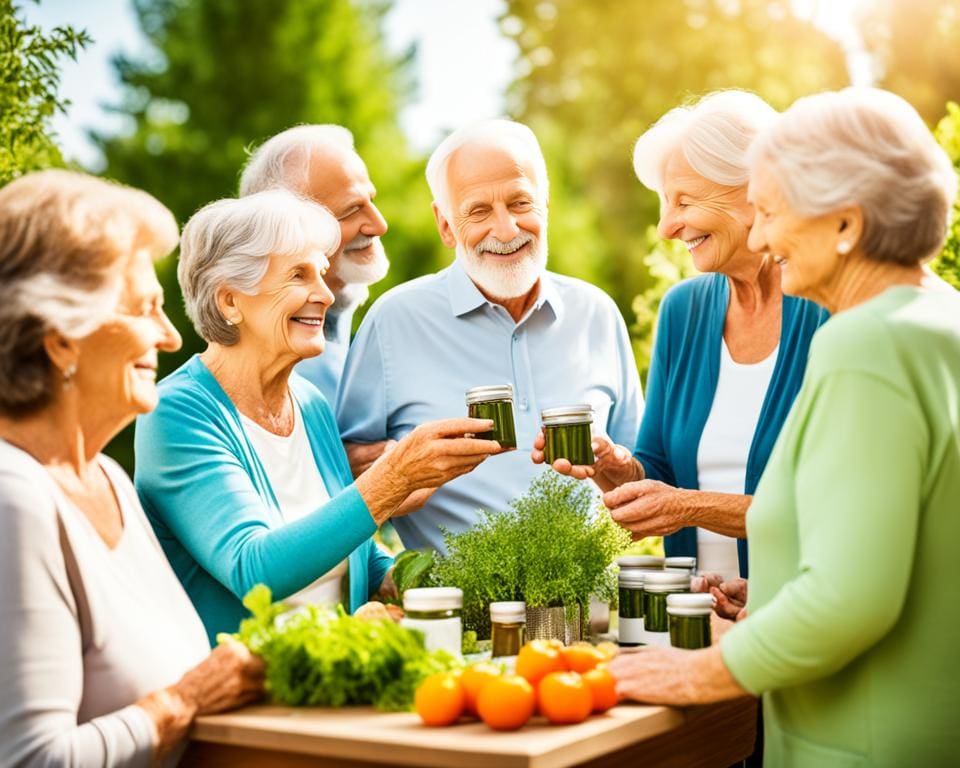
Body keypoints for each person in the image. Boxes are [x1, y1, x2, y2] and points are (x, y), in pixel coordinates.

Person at [609, 88, 960, 767]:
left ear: (846, 225)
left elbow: (849, 601)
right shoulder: (942, 319)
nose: (763, 237)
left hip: (858, 741)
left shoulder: (863, 343)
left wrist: (692, 673)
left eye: (771, 211)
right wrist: (768, 591)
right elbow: (902, 544)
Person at [135, 189, 501, 642]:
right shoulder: (177, 412)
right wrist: (393, 480)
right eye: (299, 275)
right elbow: (255, 571)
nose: (325, 294)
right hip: (244, 701)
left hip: (331, 686)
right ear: (230, 300)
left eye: (323, 274)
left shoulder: (308, 404)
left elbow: (361, 558)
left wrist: (431, 585)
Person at [0, 170, 263, 766]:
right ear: (61, 337)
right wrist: (182, 702)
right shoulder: (14, 499)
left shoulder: (108, 480)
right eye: (145, 309)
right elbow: (31, 760)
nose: (171, 337)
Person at [535, 91, 828, 584]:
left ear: (755, 191)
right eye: (664, 203)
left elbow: (830, 505)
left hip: (803, 621)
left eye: (684, 201)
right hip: (702, 614)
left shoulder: (828, 312)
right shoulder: (683, 311)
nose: (667, 226)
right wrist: (616, 466)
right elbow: (660, 472)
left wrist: (689, 507)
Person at [336, 118, 643, 551]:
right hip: (449, 609)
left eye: (520, 203)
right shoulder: (394, 321)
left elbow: (644, 478)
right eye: (479, 211)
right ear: (445, 225)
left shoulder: (597, 313)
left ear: (546, 204)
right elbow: (337, 472)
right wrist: (403, 465)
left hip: (592, 611)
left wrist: (620, 465)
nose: (506, 230)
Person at [239, 124, 389, 410]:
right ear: (283, 234)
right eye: (351, 210)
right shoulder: (276, 365)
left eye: (371, 200)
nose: (379, 225)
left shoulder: (351, 321)